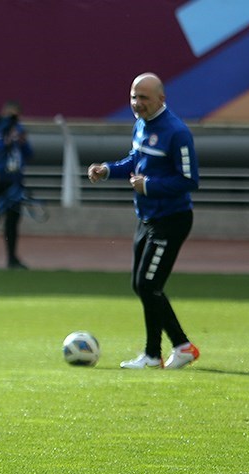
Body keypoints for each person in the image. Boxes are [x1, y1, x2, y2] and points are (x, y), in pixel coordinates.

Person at [88, 72, 200, 370]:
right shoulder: (141, 125)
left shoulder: (177, 132)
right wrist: (108, 170)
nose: (137, 103)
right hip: (147, 218)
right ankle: (154, 354)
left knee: (148, 284)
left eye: (144, 98)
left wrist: (149, 185)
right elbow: (135, 161)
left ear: (162, 99)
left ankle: (179, 347)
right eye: (134, 97)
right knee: (143, 286)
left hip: (171, 220)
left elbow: (189, 180)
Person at [0, 100, 33, 270]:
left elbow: (29, 155)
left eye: (15, 115)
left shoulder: (19, 132)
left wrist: (23, 142)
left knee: (12, 222)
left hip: (14, 182)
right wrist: (5, 141)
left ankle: (11, 258)